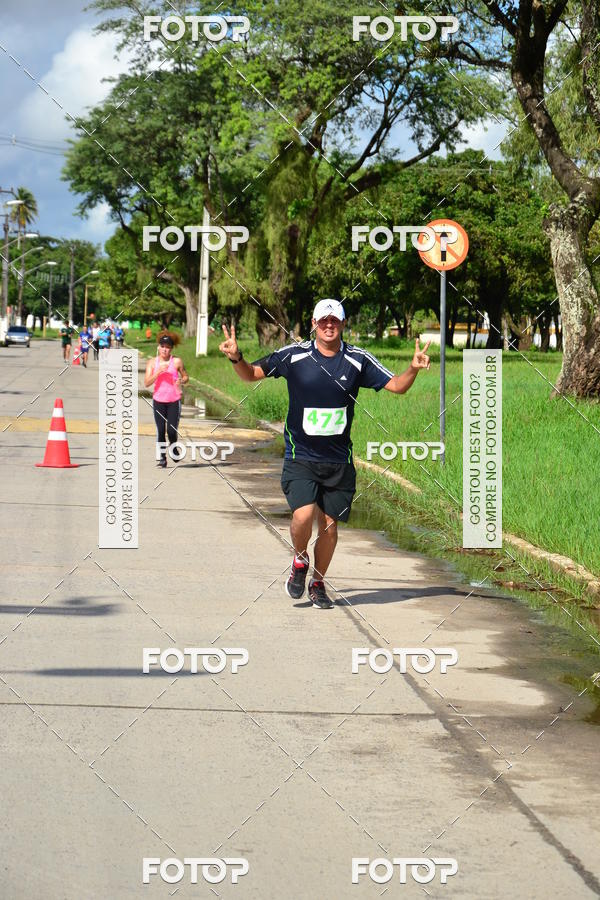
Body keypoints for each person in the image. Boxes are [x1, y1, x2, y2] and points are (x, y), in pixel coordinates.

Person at [219, 299, 431, 609]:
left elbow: (397, 386)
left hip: (338, 460)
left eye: (335, 320)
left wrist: (412, 367)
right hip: (300, 455)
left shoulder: (358, 360)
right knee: (303, 515)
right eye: (323, 320)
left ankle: (318, 583)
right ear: (314, 324)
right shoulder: (295, 356)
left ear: (343, 324)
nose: (328, 325)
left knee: (330, 527)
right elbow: (251, 374)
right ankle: (300, 559)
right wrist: (236, 356)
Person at [144, 334, 189, 468]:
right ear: (158, 347)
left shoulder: (177, 362)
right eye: (162, 347)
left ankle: (173, 447)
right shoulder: (152, 363)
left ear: (171, 349)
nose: (165, 350)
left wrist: (182, 380)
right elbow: (146, 383)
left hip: (174, 400)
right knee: (160, 430)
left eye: (168, 347)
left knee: (171, 430)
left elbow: (186, 376)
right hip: (158, 400)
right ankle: (162, 458)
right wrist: (157, 372)